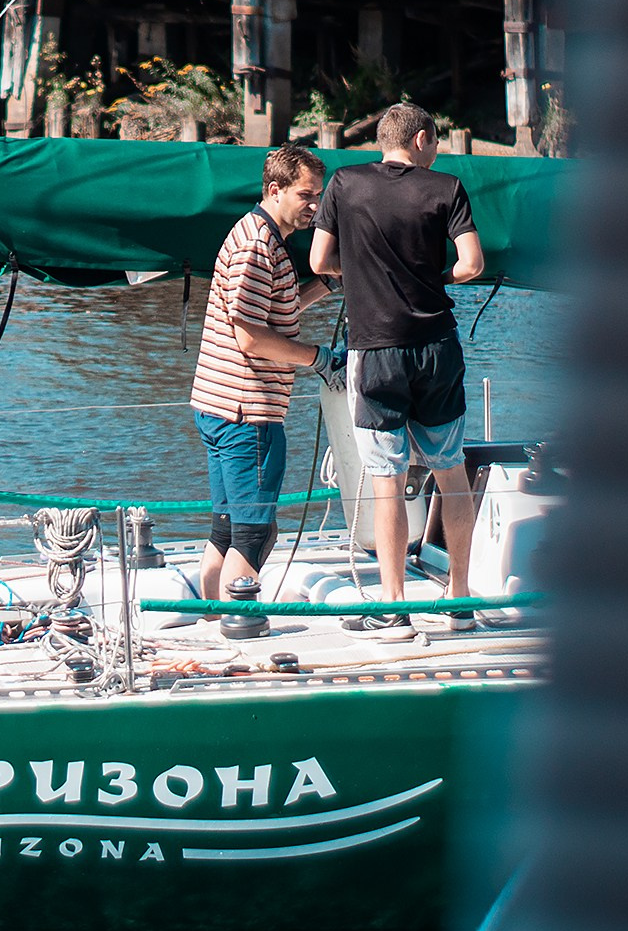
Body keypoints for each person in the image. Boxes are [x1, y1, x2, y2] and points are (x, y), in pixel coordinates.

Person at [308, 103, 488, 616]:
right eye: (435, 143)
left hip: (375, 351)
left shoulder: (345, 183)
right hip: (436, 349)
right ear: (421, 139)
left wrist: (360, 270)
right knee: (450, 471)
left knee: (386, 480)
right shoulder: (446, 188)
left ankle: (393, 602)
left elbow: (319, 261)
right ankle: (459, 594)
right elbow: (472, 264)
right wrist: (436, 278)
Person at [189, 144, 338, 614]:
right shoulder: (258, 245)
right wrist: (319, 359)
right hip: (246, 414)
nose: (315, 206)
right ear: (275, 190)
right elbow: (251, 337)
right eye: (306, 195)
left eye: (318, 195)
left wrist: (328, 284)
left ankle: (213, 619)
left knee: (227, 530)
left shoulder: (260, 236)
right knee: (254, 534)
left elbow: (273, 312)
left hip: (218, 405)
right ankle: (240, 624)